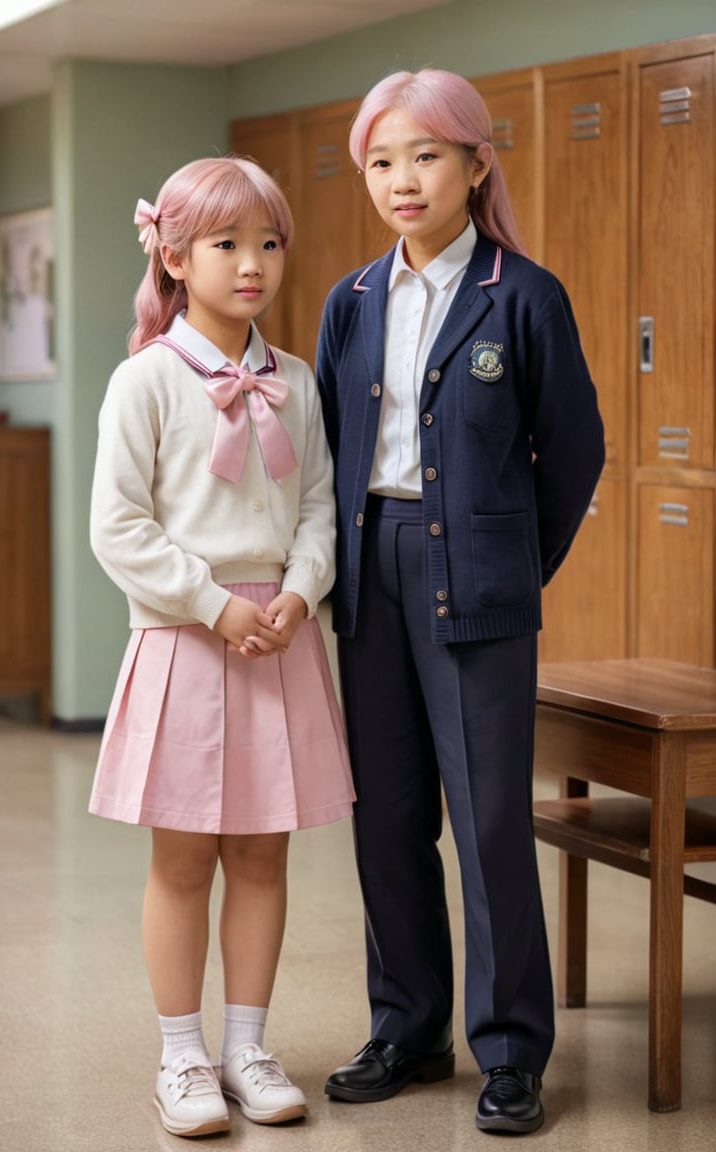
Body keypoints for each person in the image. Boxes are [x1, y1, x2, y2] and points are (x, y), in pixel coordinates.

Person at [316, 69, 605, 1135]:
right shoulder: (350, 301)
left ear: (476, 164)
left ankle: (512, 1051)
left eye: (425, 155)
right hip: (369, 571)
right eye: (382, 160)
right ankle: (406, 1029)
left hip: (479, 579)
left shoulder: (521, 294)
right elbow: (332, 452)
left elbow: (574, 453)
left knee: (488, 825)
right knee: (386, 818)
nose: (401, 178)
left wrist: (515, 563)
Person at [88, 156, 354, 1139]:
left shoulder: (296, 380)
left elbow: (321, 506)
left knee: (262, 856)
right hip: (186, 641)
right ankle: (182, 1054)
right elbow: (118, 526)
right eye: (227, 244)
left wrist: (297, 592)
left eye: (269, 243)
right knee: (185, 861)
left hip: (278, 639)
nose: (253, 265)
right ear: (174, 254)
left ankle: (247, 1043)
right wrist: (211, 604)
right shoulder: (145, 381)